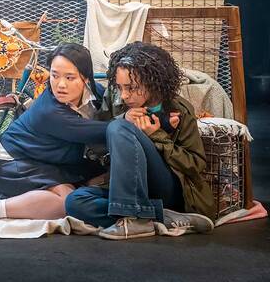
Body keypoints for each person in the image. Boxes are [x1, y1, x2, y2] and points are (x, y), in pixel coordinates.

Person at [65, 41, 216, 240]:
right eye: (119, 87)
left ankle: (133, 219)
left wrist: (157, 136)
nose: (125, 95)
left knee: (118, 127)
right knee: (75, 202)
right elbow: (95, 149)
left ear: (153, 82)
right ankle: (161, 216)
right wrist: (122, 119)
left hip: (167, 187)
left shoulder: (178, 109)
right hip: (126, 187)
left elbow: (195, 165)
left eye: (132, 87)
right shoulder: (115, 99)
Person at [0, 43, 109, 220]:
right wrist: (129, 122)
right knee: (67, 202)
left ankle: (17, 199)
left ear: (85, 78)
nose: (60, 85)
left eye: (70, 78)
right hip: (11, 161)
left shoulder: (95, 93)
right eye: (54, 76)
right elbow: (104, 131)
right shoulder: (50, 112)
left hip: (43, 159)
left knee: (79, 188)